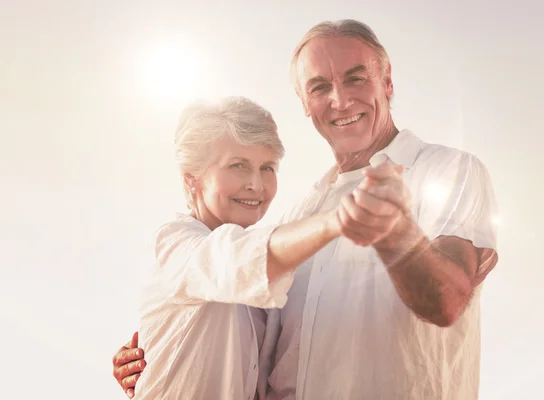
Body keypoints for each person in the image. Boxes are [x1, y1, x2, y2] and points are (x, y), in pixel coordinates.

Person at [113, 20, 500, 400]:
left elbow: (448, 301)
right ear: (304, 102)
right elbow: (244, 328)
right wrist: (157, 352)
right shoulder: (299, 216)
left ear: (387, 81)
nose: (340, 100)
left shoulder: (448, 171)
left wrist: (397, 235)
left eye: (356, 78)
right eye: (319, 87)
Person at [129, 96, 405, 399]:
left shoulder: (261, 268)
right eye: (238, 166)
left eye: (267, 167)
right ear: (192, 179)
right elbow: (228, 261)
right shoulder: (175, 243)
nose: (256, 185)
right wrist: (337, 219)